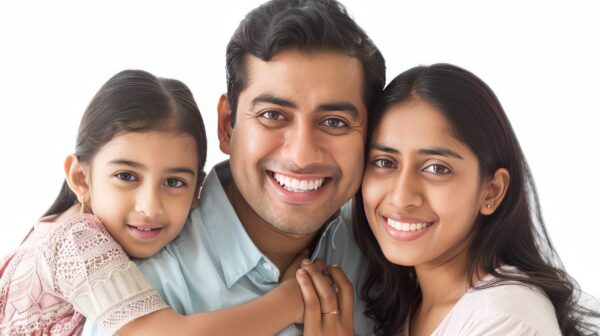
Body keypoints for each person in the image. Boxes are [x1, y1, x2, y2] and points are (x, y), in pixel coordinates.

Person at [83, 0, 386, 335]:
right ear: (228, 126)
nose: (301, 156)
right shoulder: (139, 298)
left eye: (334, 122)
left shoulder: (387, 251)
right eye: (273, 115)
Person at [0, 69, 316, 335]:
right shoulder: (76, 242)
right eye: (126, 176)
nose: (150, 207)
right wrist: (289, 302)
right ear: (82, 180)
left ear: (197, 192)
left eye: (173, 182)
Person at [349, 63, 600, 335]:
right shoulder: (404, 305)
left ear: (491, 190)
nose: (401, 197)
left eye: (436, 168)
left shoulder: (505, 319)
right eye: (385, 162)